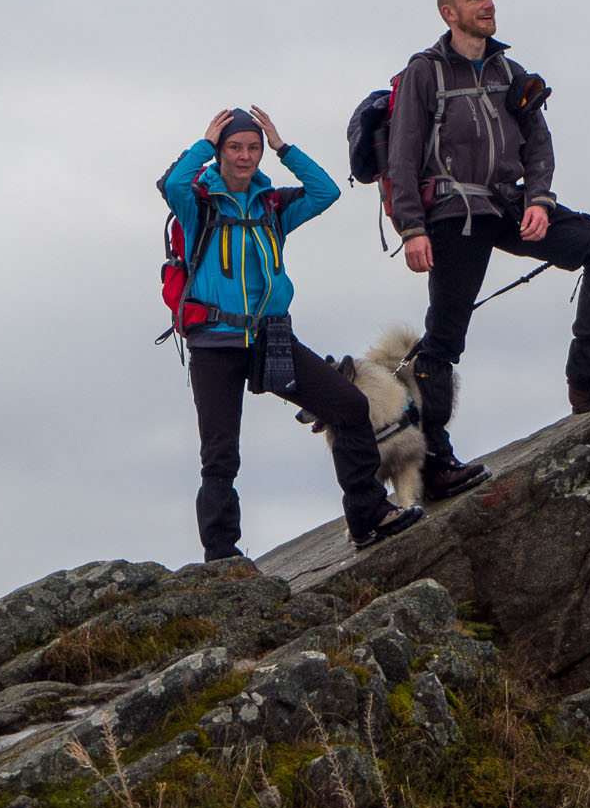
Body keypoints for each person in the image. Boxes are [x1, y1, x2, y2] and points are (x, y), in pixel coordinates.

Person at [386, 0, 590, 500]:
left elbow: (538, 143)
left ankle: (589, 377)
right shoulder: (425, 74)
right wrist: (412, 228)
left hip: (507, 203)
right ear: (449, 12)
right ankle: (435, 461)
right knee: (444, 337)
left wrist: (539, 198)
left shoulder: (511, 71)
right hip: (454, 212)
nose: (488, 4)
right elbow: (401, 157)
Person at [162, 106, 422, 561]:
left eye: (252, 148)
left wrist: (284, 148)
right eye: (235, 147)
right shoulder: (197, 204)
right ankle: (222, 557)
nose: (245, 156)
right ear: (220, 152)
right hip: (215, 343)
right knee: (220, 456)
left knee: (350, 407)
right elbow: (173, 185)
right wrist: (203, 143)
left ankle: (368, 517)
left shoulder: (273, 206)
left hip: (270, 336)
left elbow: (324, 192)